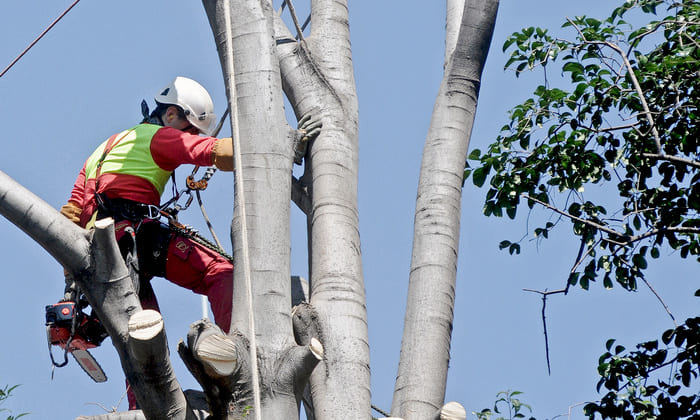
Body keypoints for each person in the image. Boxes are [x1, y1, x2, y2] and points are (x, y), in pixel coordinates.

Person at [59, 77, 234, 407]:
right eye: (189, 128)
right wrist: (264, 148)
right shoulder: (159, 137)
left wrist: (72, 278)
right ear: (170, 116)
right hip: (135, 237)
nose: (190, 136)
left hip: (99, 254)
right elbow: (208, 152)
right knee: (221, 273)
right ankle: (238, 354)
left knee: (145, 335)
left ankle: (140, 405)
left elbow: (70, 213)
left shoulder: (105, 147)